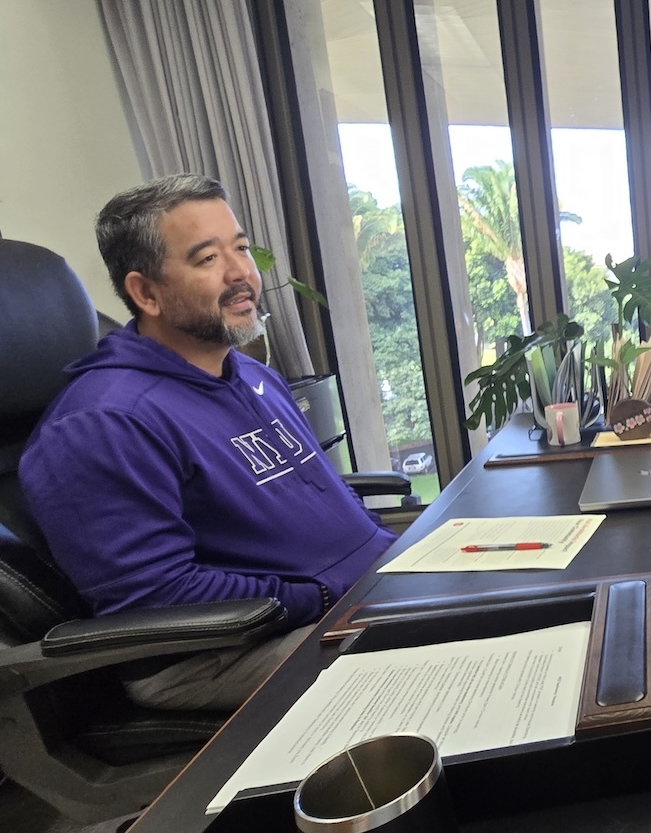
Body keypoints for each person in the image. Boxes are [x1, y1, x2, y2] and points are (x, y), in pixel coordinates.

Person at [20, 175, 398, 712]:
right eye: (206, 259)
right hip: (225, 650)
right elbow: (154, 598)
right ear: (145, 292)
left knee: (538, 594)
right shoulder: (102, 422)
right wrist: (319, 594)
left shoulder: (246, 372)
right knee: (470, 649)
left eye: (240, 248)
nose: (242, 272)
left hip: (350, 591)